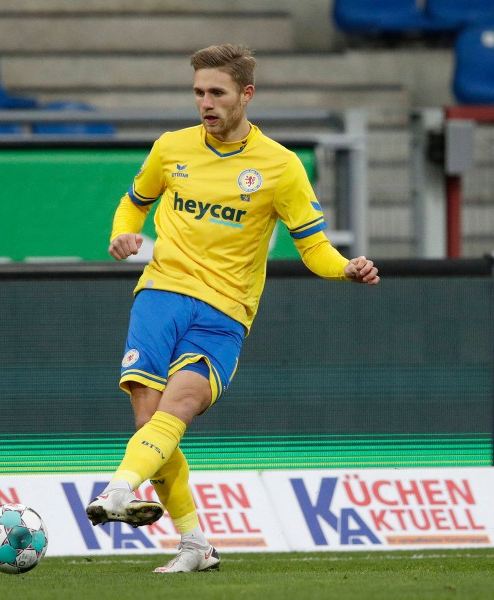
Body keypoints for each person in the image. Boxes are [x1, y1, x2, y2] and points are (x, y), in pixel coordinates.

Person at [85, 44, 380, 573]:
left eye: (217, 93)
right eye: (198, 92)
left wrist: (345, 269)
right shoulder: (171, 148)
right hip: (161, 294)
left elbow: (312, 246)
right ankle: (193, 543)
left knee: (178, 408)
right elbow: (135, 201)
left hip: (225, 312)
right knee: (149, 418)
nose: (206, 103)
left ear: (246, 94)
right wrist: (123, 233)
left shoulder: (280, 167)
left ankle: (119, 491)